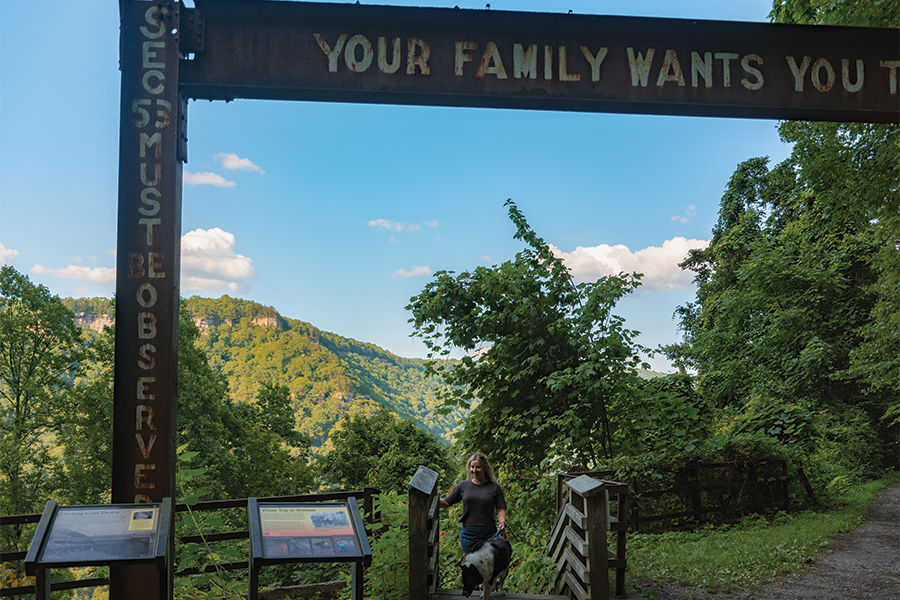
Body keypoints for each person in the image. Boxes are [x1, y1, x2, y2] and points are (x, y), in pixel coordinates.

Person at [439, 453, 507, 556]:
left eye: (478, 467)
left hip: (489, 533)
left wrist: (502, 522)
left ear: (485, 468)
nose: (474, 470)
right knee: (471, 568)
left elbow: (500, 509)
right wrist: (430, 498)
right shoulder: (463, 486)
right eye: (472, 467)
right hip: (468, 534)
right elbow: (446, 503)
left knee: (488, 567)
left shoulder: (495, 488)